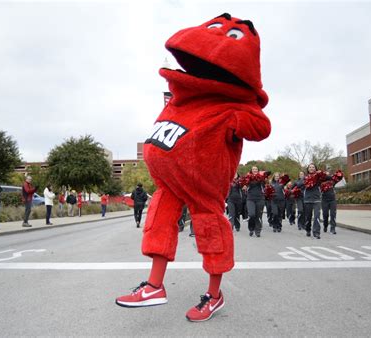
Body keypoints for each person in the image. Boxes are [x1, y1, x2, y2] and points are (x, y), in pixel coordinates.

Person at [115, 13, 271, 322]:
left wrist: (239, 113)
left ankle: (214, 295)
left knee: (210, 230)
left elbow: (259, 126)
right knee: (159, 220)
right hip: (171, 181)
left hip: (204, 186)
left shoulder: (231, 107)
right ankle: (154, 286)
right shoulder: (181, 99)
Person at [303, 164, 330, 239]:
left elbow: (328, 178)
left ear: (315, 169)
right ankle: (308, 229)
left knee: (317, 216)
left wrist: (325, 174)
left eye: (313, 167)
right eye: (310, 167)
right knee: (308, 217)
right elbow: (300, 184)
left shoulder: (319, 177)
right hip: (307, 199)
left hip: (316, 199)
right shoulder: (305, 177)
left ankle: (316, 232)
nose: (311, 168)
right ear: (308, 169)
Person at [243, 166, 269, 237]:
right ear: (251, 171)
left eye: (256, 169)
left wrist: (265, 178)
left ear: (258, 170)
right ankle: (251, 228)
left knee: (258, 216)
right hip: (250, 199)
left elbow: (266, 182)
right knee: (251, 214)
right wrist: (244, 186)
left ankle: (258, 230)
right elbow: (244, 185)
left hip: (260, 199)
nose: (255, 170)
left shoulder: (261, 178)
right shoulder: (247, 178)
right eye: (253, 169)